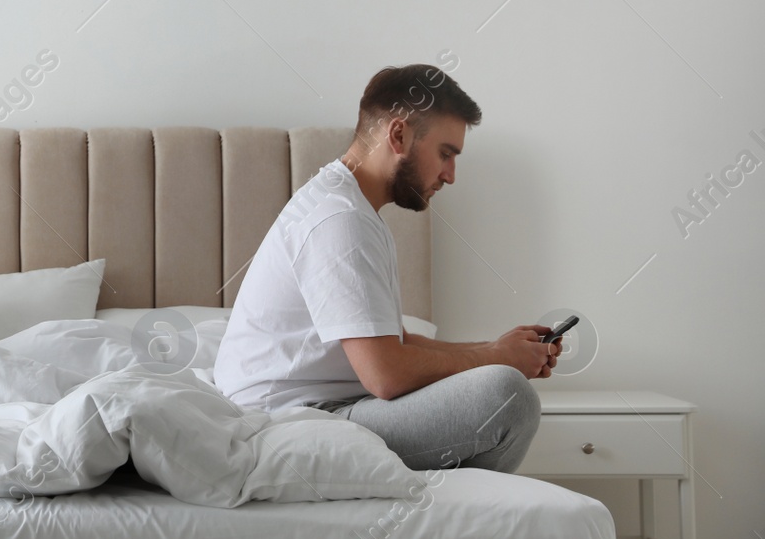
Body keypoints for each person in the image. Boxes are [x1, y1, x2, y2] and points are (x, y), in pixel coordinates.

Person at [212, 64, 553, 472]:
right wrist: (498, 360)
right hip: (291, 423)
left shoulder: (351, 206)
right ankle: (463, 522)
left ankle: (454, 515)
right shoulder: (339, 220)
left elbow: (396, 342)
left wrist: (495, 349)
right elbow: (385, 374)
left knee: (498, 385)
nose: (451, 175)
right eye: (446, 154)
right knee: (508, 397)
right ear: (398, 134)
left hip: (321, 408)